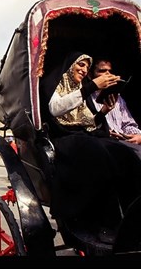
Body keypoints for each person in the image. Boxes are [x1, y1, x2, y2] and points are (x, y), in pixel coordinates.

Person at [41, 52, 141, 244]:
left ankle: (133, 218)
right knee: (97, 154)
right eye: (80, 65)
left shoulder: (81, 89)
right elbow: (55, 108)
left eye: (87, 66)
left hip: (83, 136)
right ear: (70, 67)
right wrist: (91, 87)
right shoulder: (57, 85)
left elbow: (88, 122)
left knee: (125, 153)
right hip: (63, 138)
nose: (84, 69)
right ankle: (104, 224)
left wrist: (104, 111)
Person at [89, 57, 141, 157]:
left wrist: (138, 137)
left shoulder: (118, 98)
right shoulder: (87, 98)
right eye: (102, 71)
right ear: (90, 75)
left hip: (125, 142)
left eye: (110, 71)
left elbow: (128, 124)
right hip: (104, 145)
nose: (108, 74)